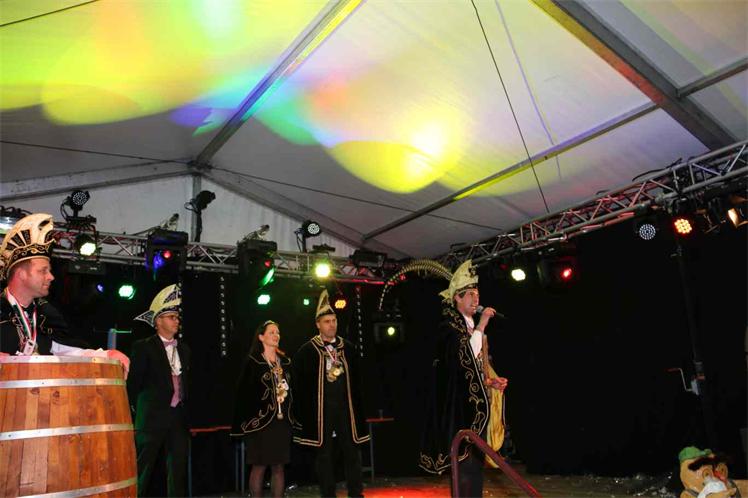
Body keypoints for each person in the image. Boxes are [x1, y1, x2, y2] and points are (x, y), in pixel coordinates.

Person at [419, 259, 508, 497]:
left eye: (477, 294)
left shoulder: (470, 328)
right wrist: (482, 324)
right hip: (458, 409)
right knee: (464, 466)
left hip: (474, 408)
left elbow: (474, 368)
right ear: (457, 298)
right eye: (470, 294)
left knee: (475, 467)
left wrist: (490, 381)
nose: (476, 299)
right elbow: (461, 359)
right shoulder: (448, 328)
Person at [0, 213, 130, 374]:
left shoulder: (45, 314)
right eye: (43, 271)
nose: (51, 277)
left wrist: (107, 354)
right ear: (21, 274)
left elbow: (65, 350)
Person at [293, 290, 370, 498]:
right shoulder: (307, 351)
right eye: (327, 321)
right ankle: (328, 495)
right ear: (318, 324)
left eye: (334, 320)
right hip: (322, 411)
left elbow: (359, 383)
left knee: (352, 452)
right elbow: (300, 386)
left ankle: (356, 493)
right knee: (324, 455)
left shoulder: (349, 348)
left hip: (346, 410)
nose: (332, 325)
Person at [127, 284, 190, 497]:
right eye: (171, 317)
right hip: (151, 418)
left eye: (177, 317)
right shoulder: (143, 347)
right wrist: (136, 414)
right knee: (142, 470)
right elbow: (133, 384)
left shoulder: (184, 349)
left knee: (178, 471)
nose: (176, 320)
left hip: (178, 417)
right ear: (158, 321)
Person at [232, 320, 298, 498]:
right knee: (259, 466)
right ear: (261, 337)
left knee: (279, 466)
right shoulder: (253, 362)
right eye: (271, 332)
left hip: (282, 423)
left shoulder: (285, 362)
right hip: (260, 423)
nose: (276, 335)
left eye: (278, 332)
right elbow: (243, 393)